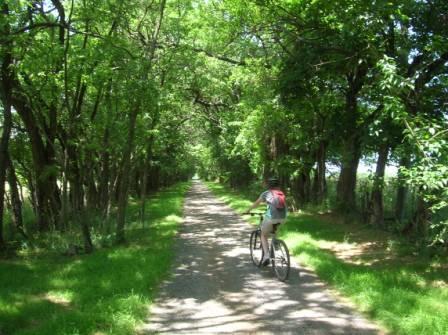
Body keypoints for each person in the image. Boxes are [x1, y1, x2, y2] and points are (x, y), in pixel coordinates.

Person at [243, 177, 287, 266]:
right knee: (274, 229)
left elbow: (256, 203)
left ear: (269, 185)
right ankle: (276, 243)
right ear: (278, 185)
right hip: (283, 218)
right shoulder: (281, 193)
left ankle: (266, 256)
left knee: (263, 234)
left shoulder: (266, 193)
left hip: (271, 218)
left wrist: (248, 210)